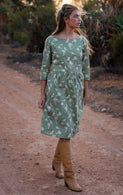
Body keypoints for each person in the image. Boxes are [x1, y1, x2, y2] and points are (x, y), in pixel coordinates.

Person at [38, 4, 91, 192]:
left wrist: (86, 90)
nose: (80, 20)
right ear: (66, 19)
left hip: (75, 89)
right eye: (76, 16)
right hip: (56, 89)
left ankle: (56, 161)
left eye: (80, 16)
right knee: (67, 129)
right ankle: (70, 176)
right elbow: (45, 68)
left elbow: (85, 69)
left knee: (69, 127)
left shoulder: (82, 42)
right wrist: (42, 93)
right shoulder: (51, 41)